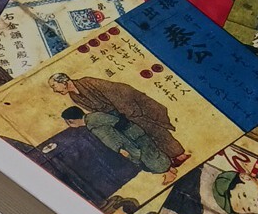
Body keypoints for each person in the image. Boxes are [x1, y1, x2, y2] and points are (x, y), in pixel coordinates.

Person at [48, 73, 187, 166]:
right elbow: (95, 110)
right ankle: (165, 160)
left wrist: (128, 112)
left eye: (54, 86)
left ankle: (178, 153)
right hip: (114, 115)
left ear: (64, 81)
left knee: (151, 128)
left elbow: (116, 92)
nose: (55, 90)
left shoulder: (87, 82)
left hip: (127, 107)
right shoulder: (74, 96)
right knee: (139, 137)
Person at [61, 107, 177, 185]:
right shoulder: (91, 120)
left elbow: (109, 134)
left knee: (148, 156)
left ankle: (168, 173)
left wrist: (120, 148)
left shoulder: (93, 120)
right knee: (149, 153)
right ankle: (170, 169)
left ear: (71, 120)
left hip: (130, 139)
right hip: (130, 137)